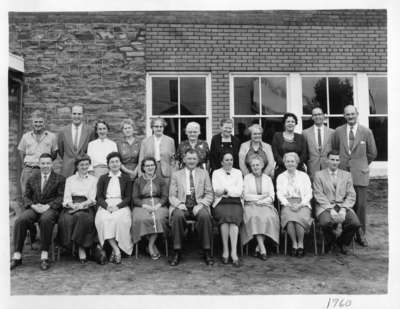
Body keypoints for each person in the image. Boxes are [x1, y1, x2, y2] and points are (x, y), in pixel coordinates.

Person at [331, 105, 377, 247]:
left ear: (357, 114)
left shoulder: (366, 132)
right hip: (343, 174)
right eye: (347, 114)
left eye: (352, 114)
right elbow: (334, 149)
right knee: (343, 204)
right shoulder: (338, 131)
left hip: (360, 175)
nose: (350, 116)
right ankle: (345, 233)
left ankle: (360, 234)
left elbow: (372, 153)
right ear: (344, 116)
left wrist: (361, 165)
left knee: (360, 206)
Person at [10, 153, 65, 271]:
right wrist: (33, 206)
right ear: (39, 164)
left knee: (45, 219)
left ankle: (44, 254)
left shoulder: (60, 179)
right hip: (34, 207)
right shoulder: (32, 178)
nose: (45, 166)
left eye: (48, 163)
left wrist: (48, 206)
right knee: (21, 220)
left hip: (50, 209)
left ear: (52, 164)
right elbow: (26, 196)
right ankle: (17, 255)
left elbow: (61, 198)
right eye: (43, 163)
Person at [168, 149, 214, 266]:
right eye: (189, 158)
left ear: (198, 160)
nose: (191, 161)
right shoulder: (176, 174)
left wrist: (201, 205)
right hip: (182, 204)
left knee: (205, 216)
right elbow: (172, 195)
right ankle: (177, 251)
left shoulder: (204, 173)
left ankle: (207, 251)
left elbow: (209, 194)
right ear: (184, 159)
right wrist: (179, 204)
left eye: (194, 158)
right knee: (177, 216)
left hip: (198, 204)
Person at [313, 150, 361, 254]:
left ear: (339, 161)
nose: (334, 162)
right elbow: (318, 194)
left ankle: (342, 242)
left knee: (354, 223)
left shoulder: (346, 175)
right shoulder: (319, 175)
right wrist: (330, 209)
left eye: (337, 160)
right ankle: (330, 242)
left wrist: (344, 209)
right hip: (325, 205)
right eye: (332, 159)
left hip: (342, 205)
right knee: (325, 223)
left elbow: (351, 194)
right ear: (327, 160)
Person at [57, 155, 98, 263]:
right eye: (81, 165)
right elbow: (66, 198)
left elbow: (92, 198)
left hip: (87, 206)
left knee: (82, 217)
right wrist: (72, 205)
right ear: (77, 166)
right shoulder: (70, 179)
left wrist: (82, 205)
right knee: (66, 219)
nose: (84, 167)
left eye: (86, 164)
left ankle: (81, 247)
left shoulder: (94, 180)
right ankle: (70, 246)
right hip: (72, 205)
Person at [95, 152, 133, 264]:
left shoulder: (126, 178)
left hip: (121, 204)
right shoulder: (103, 178)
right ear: (108, 164)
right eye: (112, 162)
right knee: (103, 219)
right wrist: (107, 207)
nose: (114, 164)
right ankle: (116, 250)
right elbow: (99, 197)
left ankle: (116, 249)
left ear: (120, 163)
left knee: (119, 220)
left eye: (117, 161)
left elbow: (128, 197)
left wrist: (118, 207)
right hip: (106, 204)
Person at [241, 155, 279, 260]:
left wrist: (261, 200)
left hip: (266, 205)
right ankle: (262, 247)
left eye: (257, 165)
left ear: (262, 166)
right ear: (250, 167)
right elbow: (245, 195)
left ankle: (258, 247)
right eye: (253, 165)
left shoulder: (267, 179)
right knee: (254, 217)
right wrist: (260, 198)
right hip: (250, 206)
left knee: (268, 217)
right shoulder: (247, 178)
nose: (255, 167)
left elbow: (272, 196)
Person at [131, 157, 169, 260]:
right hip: (142, 205)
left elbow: (165, 196)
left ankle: (150, 245)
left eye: (152, 165)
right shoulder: (138, 181)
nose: (150, 167)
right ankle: (149, 243)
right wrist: (145, 206)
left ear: (155, 166)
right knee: (140, 219)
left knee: (158, 218)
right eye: (147, 165)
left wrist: (158, 205)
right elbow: (135, 198)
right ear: (143, 167)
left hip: (158, 204)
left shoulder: (161, 180)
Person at [276, 152, 313, 257]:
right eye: (287, 161)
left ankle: (301, 243)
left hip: (302, 203)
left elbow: (309, 193)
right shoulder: (281, 177)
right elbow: (280, 193)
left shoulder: (304, 176)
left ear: (297, 163)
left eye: (292, 161)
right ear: (284, 163)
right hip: (287, 204)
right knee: (290, 218)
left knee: (299, 217)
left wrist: (300, 204)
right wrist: (288, 204)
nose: (290, 163)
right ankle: (294, 243)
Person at [17, 110, 58, 204]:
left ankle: (42, 216)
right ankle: (27, 215)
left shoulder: (52, 136)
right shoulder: (25, 136)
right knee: (27, 194)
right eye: (36, 122)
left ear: (44, 123)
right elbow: (21, 152)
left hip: (44, 170)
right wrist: (27, 165)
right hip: (29, 170)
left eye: (40, 122)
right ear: (32, 123)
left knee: (45, 194)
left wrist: (46, 164)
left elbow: (54, 153)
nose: (38, 124)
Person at [212, 152, 243, 267]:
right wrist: (230, 190)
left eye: (231, 159)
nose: (229, 162)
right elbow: (216, 190)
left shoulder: (238, 172)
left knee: (234, 220)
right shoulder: (216, 173)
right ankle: (225, 250)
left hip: (236, 203)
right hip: (220, 203)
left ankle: (234, 252)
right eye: (226, 160)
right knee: (225, 220)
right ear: (221, 162)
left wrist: (225, 191)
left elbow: (239, 191)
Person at [57, 105, 93, 178]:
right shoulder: (63, 131)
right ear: (71, 114)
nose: (77, 116)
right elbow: (61, 151)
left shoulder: (90, 131)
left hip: (84, 168)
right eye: (74, 113)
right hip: (67, 169)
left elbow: (91, 150)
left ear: (83, 115)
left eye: (79, 114)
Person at [138, 117, 176, 184]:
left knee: (165, 193)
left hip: (165, 173)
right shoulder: (145, 142)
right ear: (152, 127)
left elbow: (173, 161)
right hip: (149, 171)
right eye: (156, 126)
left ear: (163, 127)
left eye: (161, 126)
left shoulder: (170, 141)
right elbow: (141, 160)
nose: (159, 128)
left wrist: (173, 175)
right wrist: (141, 176)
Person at [272, 113, 308, 179]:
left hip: (298, 169)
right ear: (284, 123)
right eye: (288, 121)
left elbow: (304, 154)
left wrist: (295, 164)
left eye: (292, 121)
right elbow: (276, 154)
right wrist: (287, 164)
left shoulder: (301, 137)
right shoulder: (277, 136)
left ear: (295, 123)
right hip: (281, 169)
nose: (290, 123)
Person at [302, 107, 335, 180]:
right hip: (313, 167)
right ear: (312, 117)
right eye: (315, 115)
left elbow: (335, 150)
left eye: (319, 114)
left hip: (328, 166)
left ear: (323, 116)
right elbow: (304, 152)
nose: (317, 116)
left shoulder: (332, 132)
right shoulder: (305, 133)